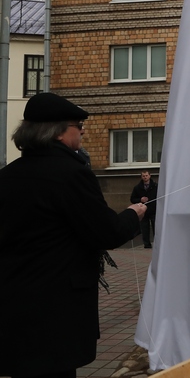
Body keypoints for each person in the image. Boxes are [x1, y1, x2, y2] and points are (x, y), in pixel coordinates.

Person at [0, 92, 146, 378]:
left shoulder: (8, 176)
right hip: (56, 308)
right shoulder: (71, 174)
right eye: (78, 125)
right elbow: (106, 232)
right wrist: (133, 214)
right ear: (57, 133)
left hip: (13, 302)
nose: (82, 131)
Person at [131, 170, 158, 249]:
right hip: (143, 211)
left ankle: (157, 244)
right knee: (144, 228)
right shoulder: (137, 188)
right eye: (143, 176)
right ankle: (147, 244)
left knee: (156, 228)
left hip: (154, 210)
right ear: (141, 177)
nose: (145, 177)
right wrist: (140, 199)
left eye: (146, 175)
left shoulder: (156, 186)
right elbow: (132, 199)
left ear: (150, 176)